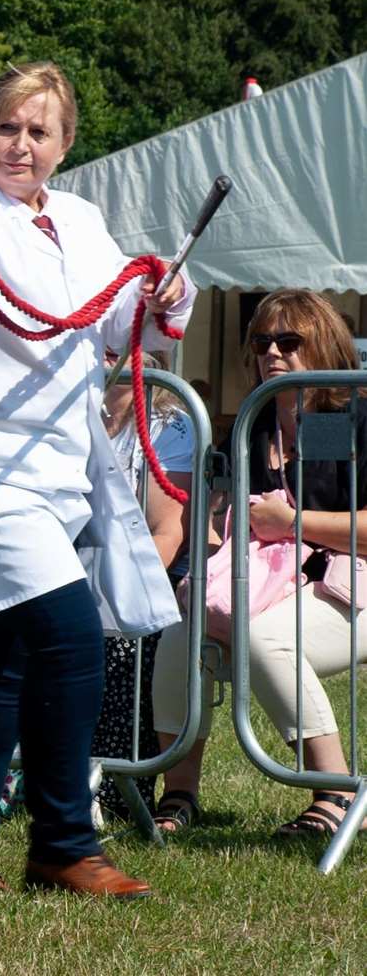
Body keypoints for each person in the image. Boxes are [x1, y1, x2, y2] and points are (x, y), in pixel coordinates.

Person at [0, 63, 191, 898]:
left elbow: (123, 318)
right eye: (7, 128)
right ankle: (61, 841)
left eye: (40, 132)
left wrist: (163, 289)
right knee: (68, 636)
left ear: (65, 144)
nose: (21, 145)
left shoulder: (82, 219)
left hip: (57, 465)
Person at [152, 289, 367, 839]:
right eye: (262, 341)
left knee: (267, 639)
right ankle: (178, 793)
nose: (272, 352)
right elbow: (216, 522)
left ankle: (337, 795)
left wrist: (290, 523)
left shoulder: (355, 418)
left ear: (324, 346)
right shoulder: (250, 426)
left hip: (352, 583)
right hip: (267, 581)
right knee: (181, 630)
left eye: (289, 341)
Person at [92, 351, 193, 821]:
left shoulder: (168, 425)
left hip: (135, 580)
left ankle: (112, 790)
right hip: (66, 569)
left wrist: (108, 594)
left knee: (124, 641)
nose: (107, 353)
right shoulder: (62, 410)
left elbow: (167, 534)